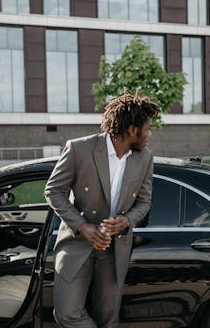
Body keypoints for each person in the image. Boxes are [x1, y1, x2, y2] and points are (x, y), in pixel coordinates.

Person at [44, 88, 159, 328]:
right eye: (147, 129)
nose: (149, 134)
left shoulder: (145, 157)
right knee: (66, 313)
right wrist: (82, 227)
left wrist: (126, 221)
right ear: (131, 130)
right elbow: (53, 191)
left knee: (108, 319)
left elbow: (145, 202)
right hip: (77, 244)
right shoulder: (79, 149)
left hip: (115, 249)